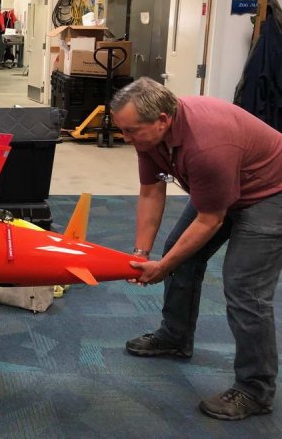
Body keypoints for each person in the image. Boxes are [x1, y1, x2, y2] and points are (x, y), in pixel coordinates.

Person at [110, 77, 282, 421]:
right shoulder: (149, 138)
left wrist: (163, 267)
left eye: (131, 131)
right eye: (122, 130)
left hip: (270, 192)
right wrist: (141, 254)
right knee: (180, 253)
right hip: (224, 186)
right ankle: (175, 337)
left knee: (244, 288)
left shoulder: (206, 147)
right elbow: (151, 192)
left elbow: (210, 219)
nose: (125, 139)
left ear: (162, 120)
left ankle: (255, 390)